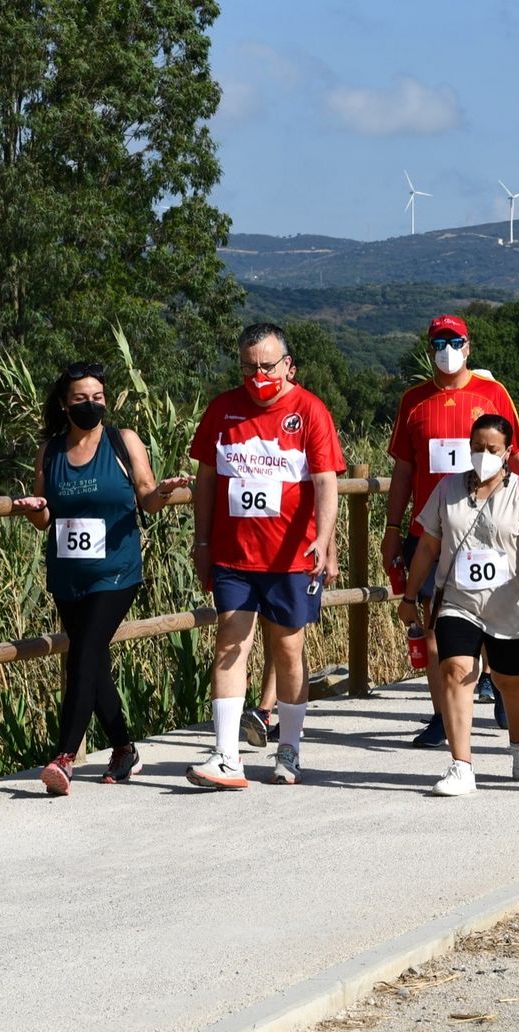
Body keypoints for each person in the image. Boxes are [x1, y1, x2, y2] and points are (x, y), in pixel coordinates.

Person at [15, 362, 192, 795]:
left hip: (116, 572)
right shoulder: (50, 452)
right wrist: (35, 510)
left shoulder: (122, 441)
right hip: (68, 575)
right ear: (65, 404)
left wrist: (164, 491)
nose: (91, 405)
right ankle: (124, 748)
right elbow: (45, 516)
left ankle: (63, 757)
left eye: (98, 397)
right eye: (81, 399)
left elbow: (147, 498)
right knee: (93, 663)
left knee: (82, 655)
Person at [184, 323, 344, 788]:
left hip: (290, 559)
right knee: (229, 643)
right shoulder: (222, 410)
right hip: (234, 555)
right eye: (248, 366)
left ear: (287, 365)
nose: (258, 375)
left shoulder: (310, 411)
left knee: (288, 649)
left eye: (267, 366)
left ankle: (289, 748)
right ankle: (226, 755)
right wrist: (202, 542)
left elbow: (326, 482)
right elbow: (206, 480)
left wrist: (325, 539)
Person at [381, 315, 519, 750]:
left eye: (455, 341)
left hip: (492, 530)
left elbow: (518, 455)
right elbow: (403, 469)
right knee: (435, 626)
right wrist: (392, 528)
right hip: (433, 531)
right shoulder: (413, 401)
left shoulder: (492, 392)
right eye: (438, 342)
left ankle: (502, 687)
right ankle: (443, 715)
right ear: (429, 347)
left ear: (468, 346)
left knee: (496, 616)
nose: (446, 349)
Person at [402, 414, 519, 795]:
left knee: (511, 682)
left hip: (510, 605)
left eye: (491, 449)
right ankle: (461, 766)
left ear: (507, 451)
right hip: (459, 600)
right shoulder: (447, 489)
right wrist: (409, 595)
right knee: (455, 670)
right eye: (476, 447)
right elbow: (427, 545)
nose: (483, 455)